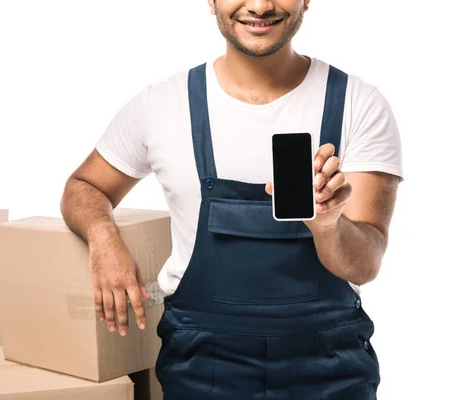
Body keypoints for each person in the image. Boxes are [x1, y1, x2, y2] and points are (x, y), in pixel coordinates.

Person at [60, 0, 403, 398]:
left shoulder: (359, 105)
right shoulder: (160, 105)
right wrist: (105, 239)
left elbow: (366, 265)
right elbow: (83, 185)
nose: (259, 6)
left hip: (331, 371)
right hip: (203, 370)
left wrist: (328, 226)